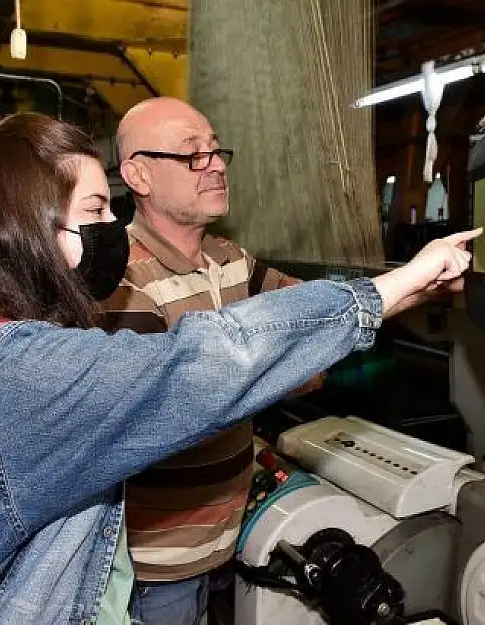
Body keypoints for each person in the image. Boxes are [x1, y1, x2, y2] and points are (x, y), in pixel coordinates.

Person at [0, 112, 479, 625]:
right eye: (97, 210)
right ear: (30, 234)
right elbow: (197, 368)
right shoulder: (15, 368)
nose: (110, 228)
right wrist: (389, 286)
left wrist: (400, 295)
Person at [100, 97, 323, 624]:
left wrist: (412, 284)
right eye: (192, 155)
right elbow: (182, 403)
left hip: (225, 539)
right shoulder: (123, 279)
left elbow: (314, 312)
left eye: (216, 150)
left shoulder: (230, 260)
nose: (217, 164)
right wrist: (289, 367)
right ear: (139, 175)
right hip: (158, 564)